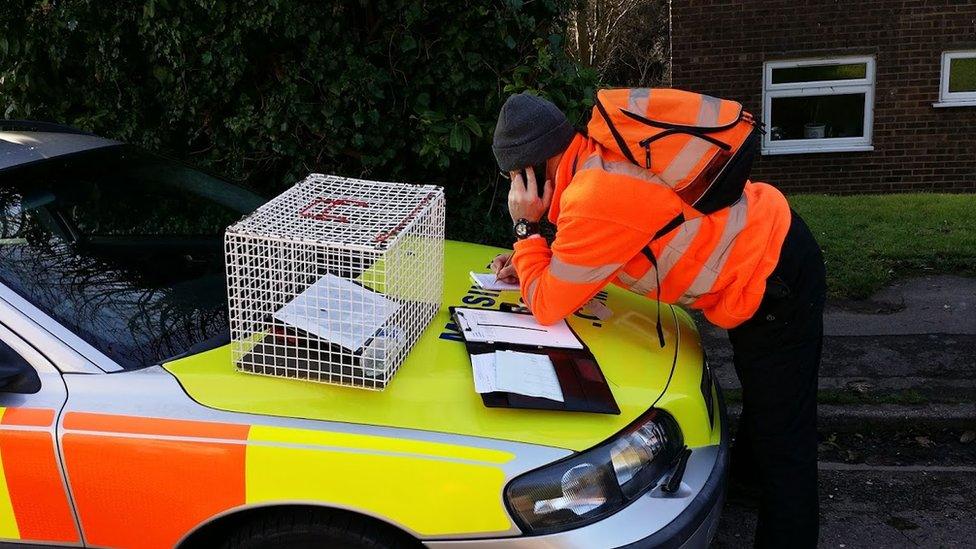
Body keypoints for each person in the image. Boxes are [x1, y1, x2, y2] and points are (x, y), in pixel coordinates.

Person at [489, 91, 826, 548]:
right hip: (764, 246)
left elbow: (548, 303)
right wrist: (531, 257)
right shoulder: (592, 160)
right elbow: (596, 246)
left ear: (531, 169)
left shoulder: (592, 197)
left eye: (513, 177)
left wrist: (526, 231)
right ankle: (745, 487)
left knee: (787, 433)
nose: (514, 189)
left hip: (773, 272)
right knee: (768, 398)